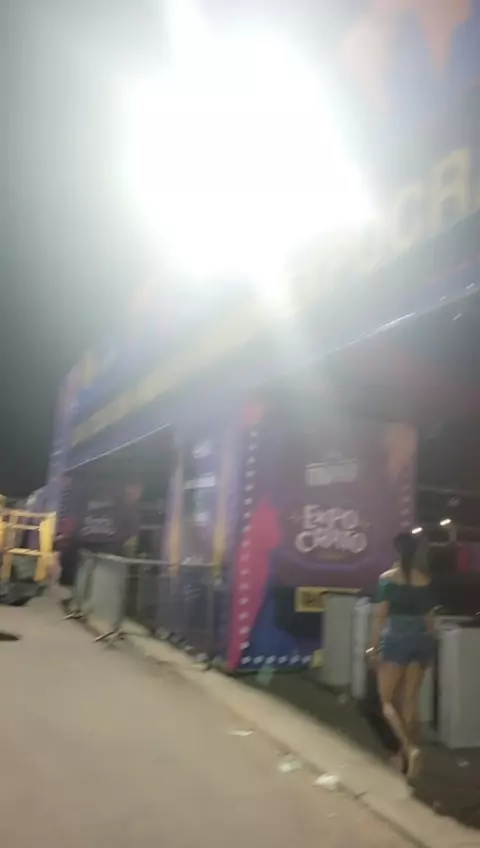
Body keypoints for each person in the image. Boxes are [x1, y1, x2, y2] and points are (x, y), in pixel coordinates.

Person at [367, 531, 436, 780]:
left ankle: (410, 748)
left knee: (386, 700)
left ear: (396, 551)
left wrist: (373, 648)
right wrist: (430, 645)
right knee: (410, 700)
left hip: (395, 640)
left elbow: (380, 617)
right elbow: (430, 619)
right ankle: (405, 756)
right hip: (420, 640)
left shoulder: (387, 579)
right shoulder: (424, 579)